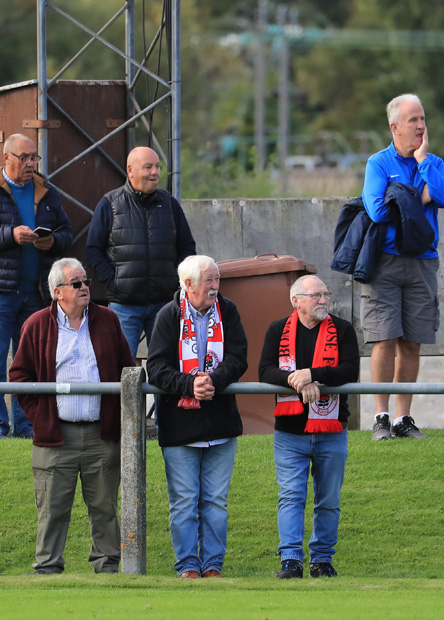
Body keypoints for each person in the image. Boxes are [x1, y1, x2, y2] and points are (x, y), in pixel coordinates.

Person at [9, 258, 135, 575]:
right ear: (57, 292)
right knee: (52, 508)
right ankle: (47, 568)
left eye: (86, 282)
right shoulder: (37, 324)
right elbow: (19, 377)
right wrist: (41, 417)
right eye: (76, 283)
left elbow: (128, 370)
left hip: (101, 433)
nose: (84, 288)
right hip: (55, 435)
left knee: (105, 507)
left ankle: (107, 568)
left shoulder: (108, 320)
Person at [0, 133, 73, 439]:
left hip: (35, 293)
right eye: (24, 158)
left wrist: (54, 241)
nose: (30, 163)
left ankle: (26, 427)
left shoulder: (46, 190)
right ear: (6, 158)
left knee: (30, 364)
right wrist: (10, 236)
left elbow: (67, 232)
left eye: (33, 157)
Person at [146, 255, 247, 579]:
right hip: (180, 426)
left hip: (220, 424)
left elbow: (238, 357)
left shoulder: (227, 311)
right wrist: (190, 385)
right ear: (188, 285)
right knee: (185, 502)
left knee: (216, 502)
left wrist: (212, 382)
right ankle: (188, 564)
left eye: (218, 279)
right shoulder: (167, 316)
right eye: (210, 281)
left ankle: (213, 565)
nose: (216, 287)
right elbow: (157, 367)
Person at [258, 275, 359, 579]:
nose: (324, 301)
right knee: (291, 496)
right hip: (289, 433)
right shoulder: (277, 329)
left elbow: (350, 370)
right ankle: (291, 560)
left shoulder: (342, 329)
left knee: (328, 499)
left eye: (326, 295)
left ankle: (322, 560)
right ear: (296, 301)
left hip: (332, 432)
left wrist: (312, 374)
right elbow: (265, 370)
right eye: (316, 296)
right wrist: (295, 379)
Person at [362, 93, 444, 440]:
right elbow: (377, 210)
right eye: (413, 120)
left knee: (413, 342)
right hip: (384, 262)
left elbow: (440, 194)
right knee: (384, 339)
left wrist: (423, 163)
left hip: (423, 262)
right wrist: (418, 196)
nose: (421, 126)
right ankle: (380, 417)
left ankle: (402, 420)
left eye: (422, 119)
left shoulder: (434, 162)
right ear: (394, 127)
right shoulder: (378, 163)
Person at [86, 146, 196, 357]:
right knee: (121, 370)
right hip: (124, 306)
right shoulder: (110, 204)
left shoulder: (170, 204)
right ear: (130, 170)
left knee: (165, 370)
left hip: (165, 305)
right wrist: (115, 282)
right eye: (148, 167)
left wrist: (175, 280)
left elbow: (187, 248)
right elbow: (93, 250)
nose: (155, 172)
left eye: (157, 166)